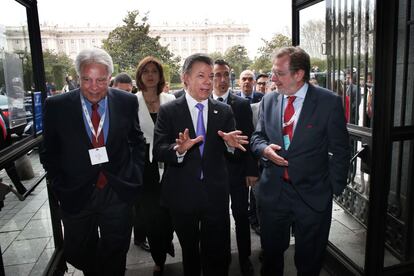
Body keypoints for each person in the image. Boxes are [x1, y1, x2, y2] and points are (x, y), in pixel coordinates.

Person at [39, 48, 146, 276]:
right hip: (76, 191)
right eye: (87, 80)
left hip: (116, 189)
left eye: (101, 80)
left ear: (110, 78)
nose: (94, 87)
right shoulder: (56, 106)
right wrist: (60, 185)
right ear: (78, 77)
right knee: (77, 251)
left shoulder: (127, 102)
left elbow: (137, 141)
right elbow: (49, 152)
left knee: (116, 251)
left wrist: (134, 174)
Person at [251, 46, 350, 276]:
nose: (273, 79)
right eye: (273, 72)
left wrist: (332, 188)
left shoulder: (328, 102)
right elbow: (257, 137)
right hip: (274, 193)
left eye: (279, 73)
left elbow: (341, 150)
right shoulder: (269, 100)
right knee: (271, 257)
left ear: (299, 74)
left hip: (313, 196)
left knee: (309, 261)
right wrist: (264, 149)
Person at [153, 53, 249, 276]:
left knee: (216, 253)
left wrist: (232, 146)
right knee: (190, 253)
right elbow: (158, 149)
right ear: (185, 78)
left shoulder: (224, 111)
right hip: (182, 194)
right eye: (201, 76)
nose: (208, 82)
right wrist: (178, 150)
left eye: (211, 76)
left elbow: (233, 156)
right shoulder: (168, 110)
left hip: (214, 195)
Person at [212, 59, 259, 276]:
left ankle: (244, 257)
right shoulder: (203, 103)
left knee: (241, 215)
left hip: (238, 171)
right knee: (218, 218)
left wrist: (251, 170)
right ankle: (220, 258)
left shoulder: (240, 104)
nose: (222, 80)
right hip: (214, 174)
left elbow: (248, 139)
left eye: (225, 75)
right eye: (217, 75)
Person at [135, 56, 176, 276]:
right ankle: (158, 258)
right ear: (140, 76)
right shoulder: (133, 101)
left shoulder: (171, 99)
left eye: (154, 71)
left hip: (170, 162)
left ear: (160, 76)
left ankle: (166, 240)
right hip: (145, 165)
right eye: (146, 71)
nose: (150, 75)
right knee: (151, 215)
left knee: (169, 211)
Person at [0, 108, 27, 195]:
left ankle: (21, 189)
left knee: (10, 167)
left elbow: (6, 124)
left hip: (4, 144)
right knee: (10, 167)